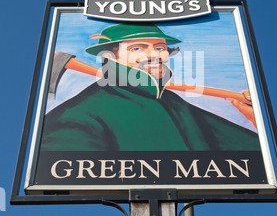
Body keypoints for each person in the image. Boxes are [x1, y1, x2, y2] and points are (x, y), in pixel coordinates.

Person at [40, 22, 260, 151]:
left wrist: (255, 120)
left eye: (160, 47)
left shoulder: (172, 102)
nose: (155, 55)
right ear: (110, 57)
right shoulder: (79, 116)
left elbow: (252, 153)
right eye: (137, 48)